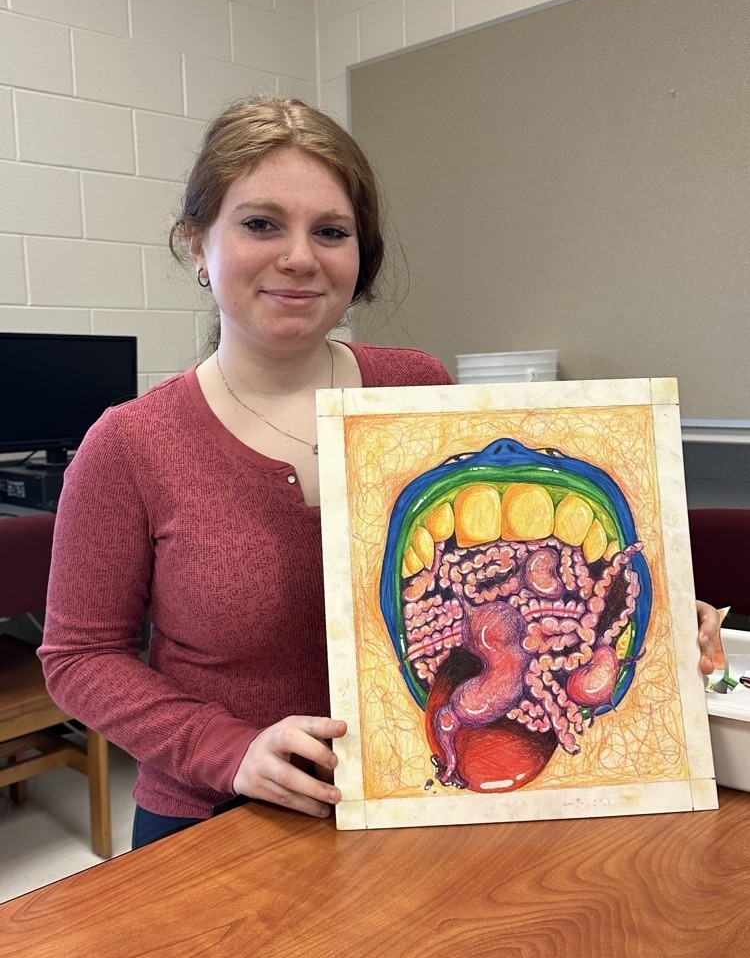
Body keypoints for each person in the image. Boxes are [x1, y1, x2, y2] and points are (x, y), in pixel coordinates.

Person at [38, 97, 722, 850]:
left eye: (330, 231)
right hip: (218, 821)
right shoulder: (129, 445)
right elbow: (79, 659)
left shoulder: (414, 391)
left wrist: (640, 626)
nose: (300, 256)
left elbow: (508, 579)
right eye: (261, 223)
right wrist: (229, 752)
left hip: (424, 806)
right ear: (198, 244)